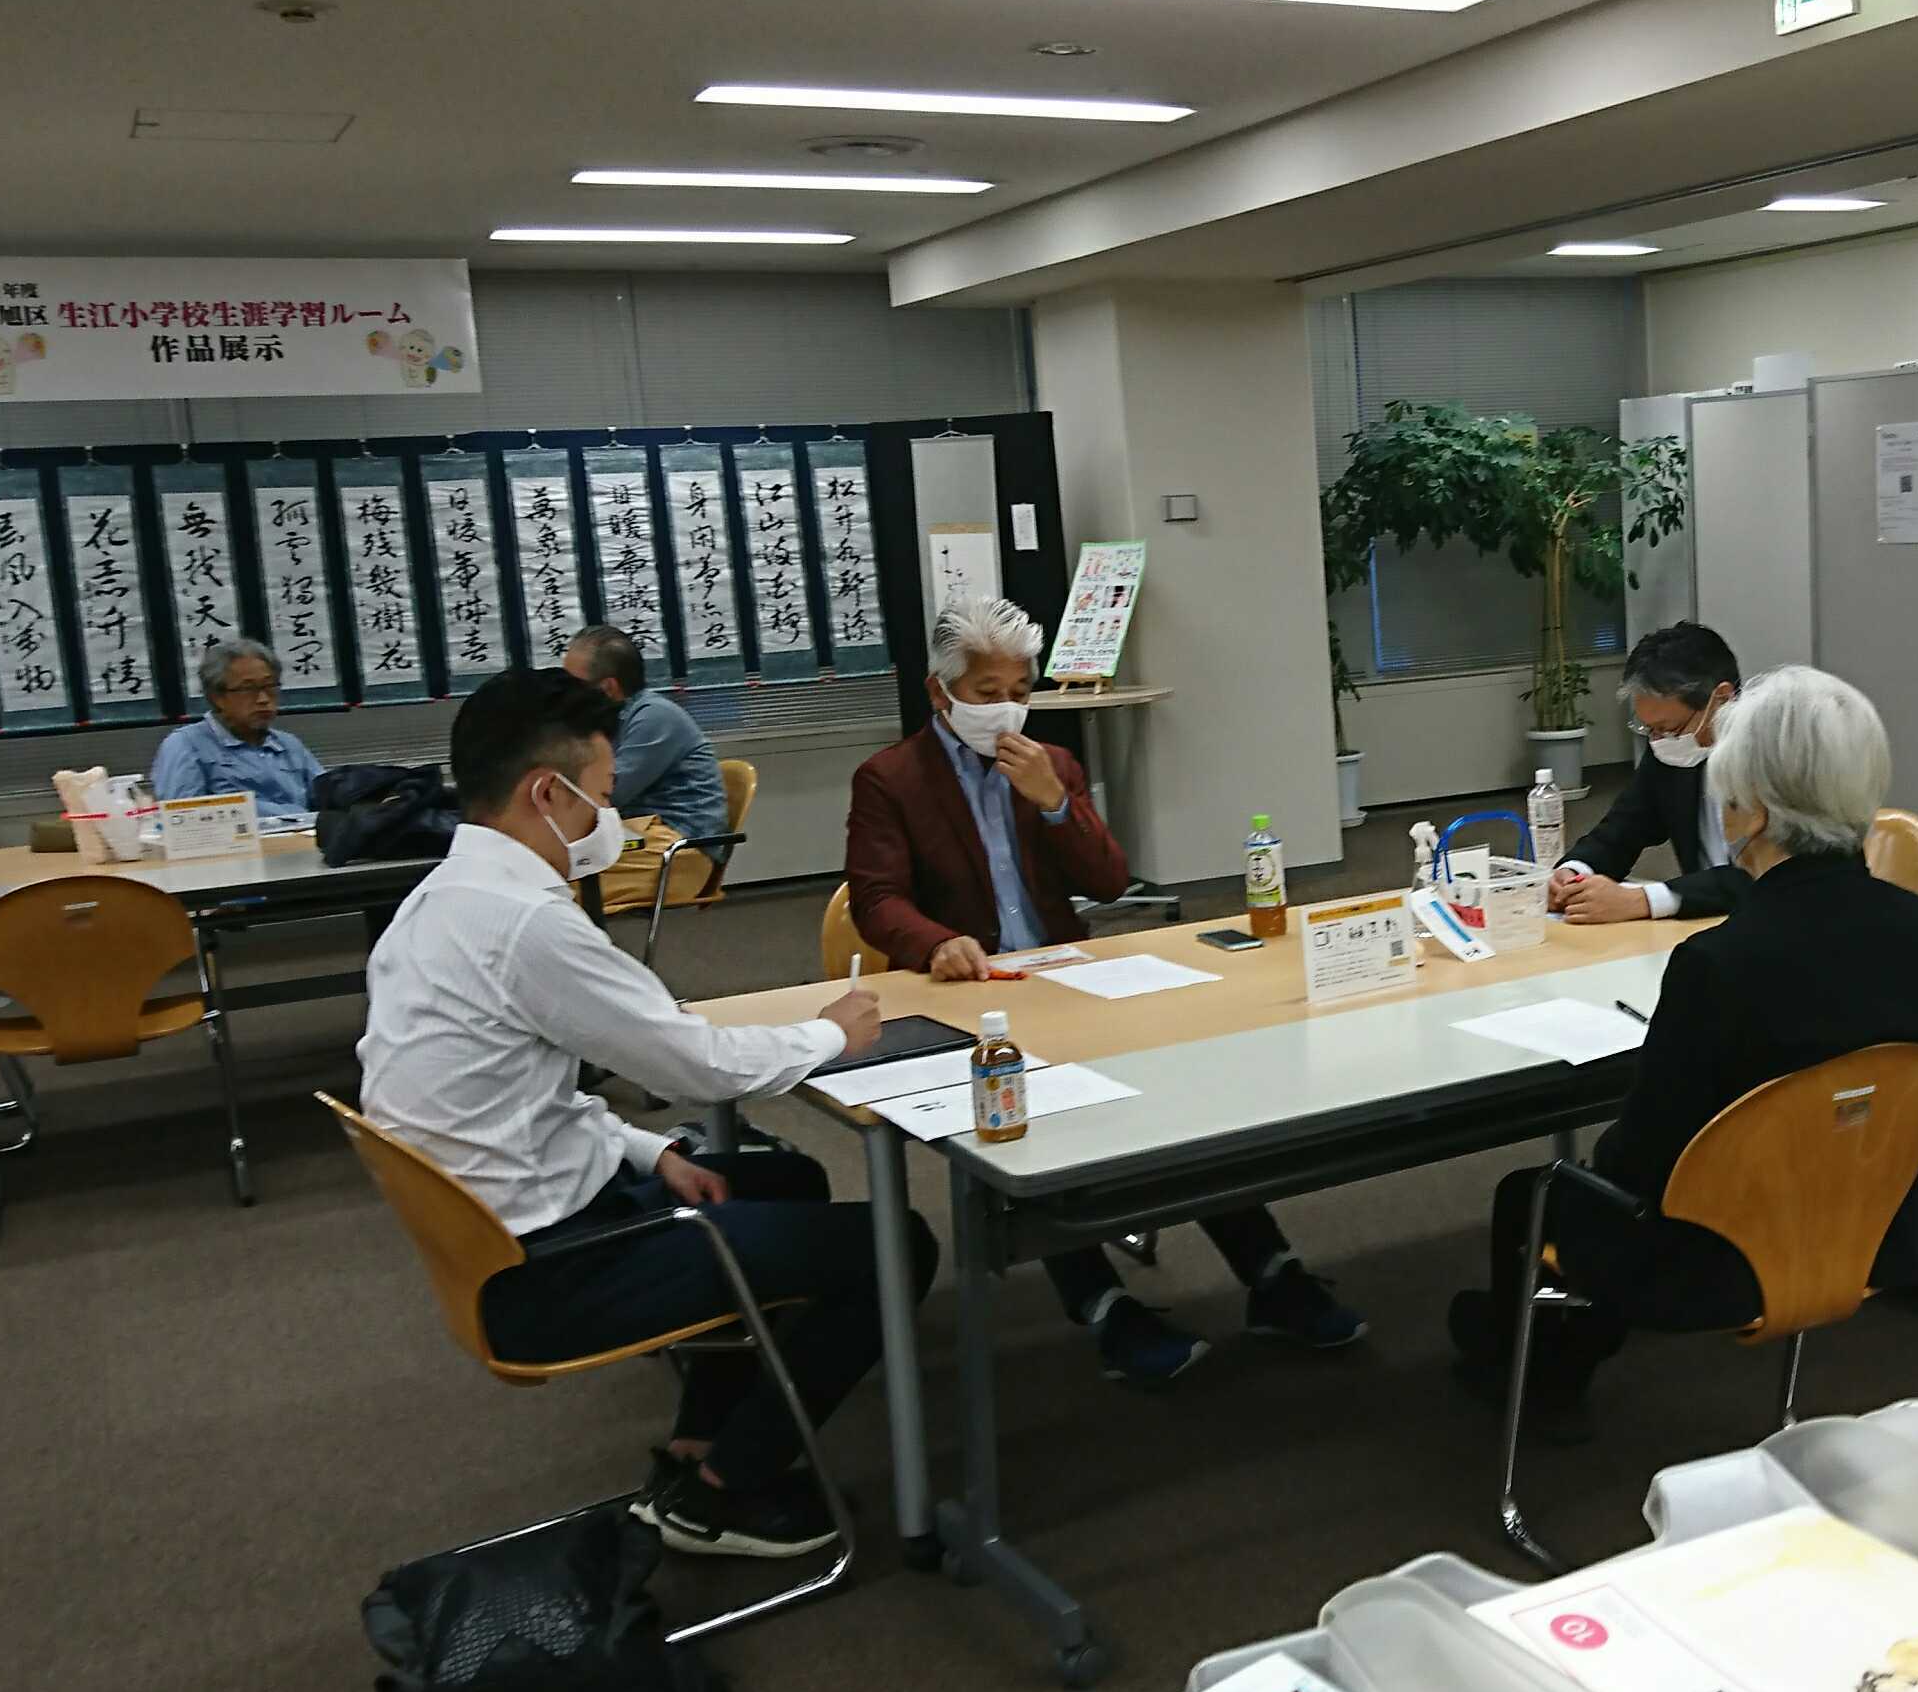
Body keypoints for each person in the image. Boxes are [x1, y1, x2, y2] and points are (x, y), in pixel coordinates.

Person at [358, 666, 914, 1560]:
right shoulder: (526, 924)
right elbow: (697, 1065)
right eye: (603, 794)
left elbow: (512, 1099)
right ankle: (726, 1492)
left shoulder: (433, 905)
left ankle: (702, 1437)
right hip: (553, 1268)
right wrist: (829, 1033)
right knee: (895, 1246)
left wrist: (652, 1154)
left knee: (785, 1178)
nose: (610, 818)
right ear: (547, 793)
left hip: (504, 1228)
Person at [844, 596, 1363, 1385]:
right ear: (939, 692)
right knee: (1029, 1130)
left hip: (1065, 979)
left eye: (1020, 690)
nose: (1006, 708)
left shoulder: (1051, 763)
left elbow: (1111, 880)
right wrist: (934, 941)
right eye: (986, 693)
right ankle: (1104, 1308)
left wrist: (1055, 803)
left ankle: (1272, 1274)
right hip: (969, 994)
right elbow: (877, 898)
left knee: (1181, 1100)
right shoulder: (890, 779)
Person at [1454, 666, 1918, 1441]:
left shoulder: (1719, 965)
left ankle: (1536, 1382)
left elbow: (1638, 1160)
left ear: (1752, 811)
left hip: (1707, 1265)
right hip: (1867, 1228)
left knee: (1537, 1194)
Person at [1550, 622, 1749, 924]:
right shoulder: (1670, 751)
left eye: (1668, 729)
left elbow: (1768, 874)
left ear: (1721, 698)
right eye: (1649, 729)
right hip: (1705, 923)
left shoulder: (1778, 757)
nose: (1658, 741)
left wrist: (1644, 900)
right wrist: (1574, 872)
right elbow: (1622, 830)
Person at [558, 625, 730, 914]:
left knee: (550, 884)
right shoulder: (608, 718)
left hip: (678, 850)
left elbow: (606, 796)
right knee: (540, 871)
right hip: (636, 838)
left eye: (572, 685)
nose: (565, 694)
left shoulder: (654, 717)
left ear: (608, 688)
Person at [151, 637, 326, 817]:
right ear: (217, 697)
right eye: (248, 689)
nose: (263, 699)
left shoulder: (287, 744)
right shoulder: (186, 745)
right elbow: (182, 817)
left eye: (270, 686)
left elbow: (328, 795)